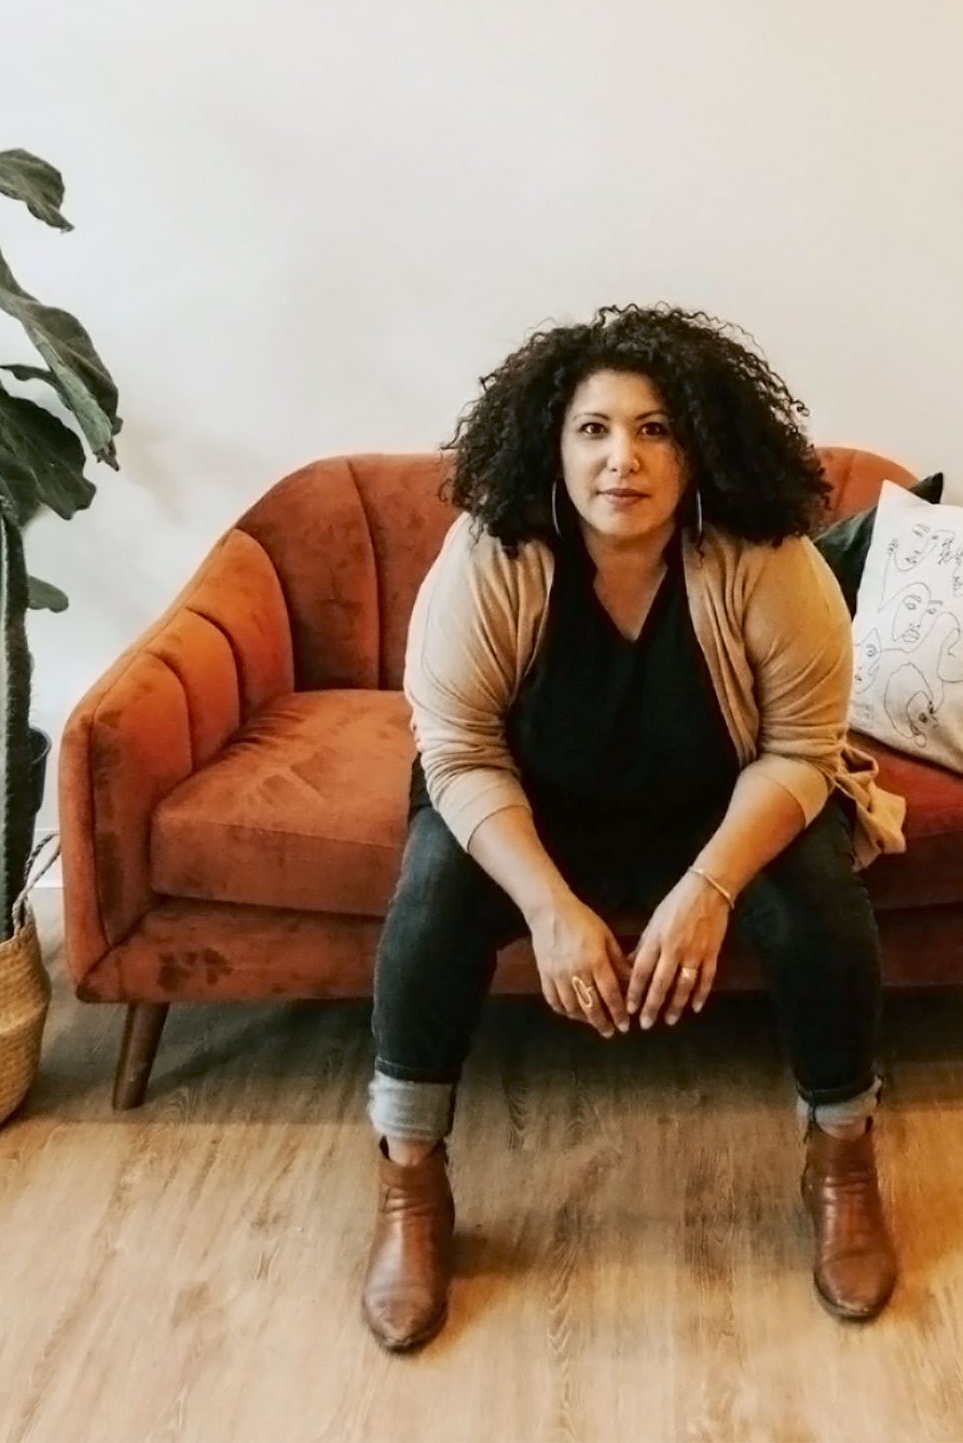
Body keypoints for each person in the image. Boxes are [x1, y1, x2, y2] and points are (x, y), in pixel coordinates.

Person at [362, 304, 907, 1350]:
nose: (624, 459)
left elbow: (802, 748)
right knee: (430, 895)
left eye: (656, 429)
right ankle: (409, 1184)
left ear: (700, 447)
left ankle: (842, 1159)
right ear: (551, 447)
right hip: (529, 810)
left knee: (820, 904)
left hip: (716, 808)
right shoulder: (491, 554)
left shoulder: (766, 557)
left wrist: (707, 890)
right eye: (594, 429)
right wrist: (550, 906)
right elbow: (459, 750)